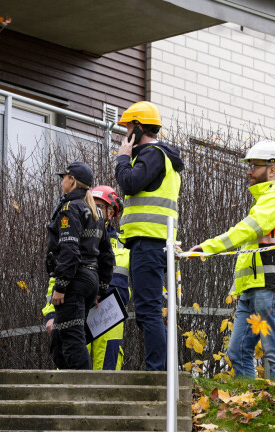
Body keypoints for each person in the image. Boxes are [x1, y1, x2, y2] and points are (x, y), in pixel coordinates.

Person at [187, 140, 275, 381]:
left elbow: (245, 231)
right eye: (249, 166)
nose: (249, 171)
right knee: (238, 351)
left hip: (270, 286)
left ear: (272, 170)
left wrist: (210, 247)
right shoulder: (264, 200)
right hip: (252, 288)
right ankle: (249, 404)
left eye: (254, 166)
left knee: (274, 350)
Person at [114, 101, 185, 371]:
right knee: (147, 312)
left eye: (128, 128)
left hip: (149, 242)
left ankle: (160, 371)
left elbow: (129, 183)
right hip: (151, 242)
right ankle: (165, 368)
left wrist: (122, 157)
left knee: (149, 311)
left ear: (138, 129)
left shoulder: (153, 154)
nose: (125, 134)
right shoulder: (159, 157)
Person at [42, 185, 130, 370]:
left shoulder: (126, 246)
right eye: (92, 204)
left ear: (111, 212)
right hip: (75, 311)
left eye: (99, 206)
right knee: (69, 368)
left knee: (107, 376)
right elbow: (56, 279)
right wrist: (51, 314)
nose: (94, 209)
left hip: (109, 319)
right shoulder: (73, 239)